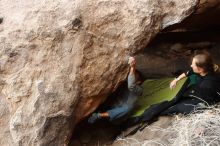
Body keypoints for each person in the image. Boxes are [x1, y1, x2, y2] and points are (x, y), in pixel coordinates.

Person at [88, 57, 143, 124]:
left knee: (128, 108)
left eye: (135, 77)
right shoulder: (123, 83)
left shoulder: (139, 90)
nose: (131, 76)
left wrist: (133, 67)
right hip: (109, 105)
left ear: (139, 82)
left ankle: (99, 115)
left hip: (117, 116)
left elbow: (131, 85)